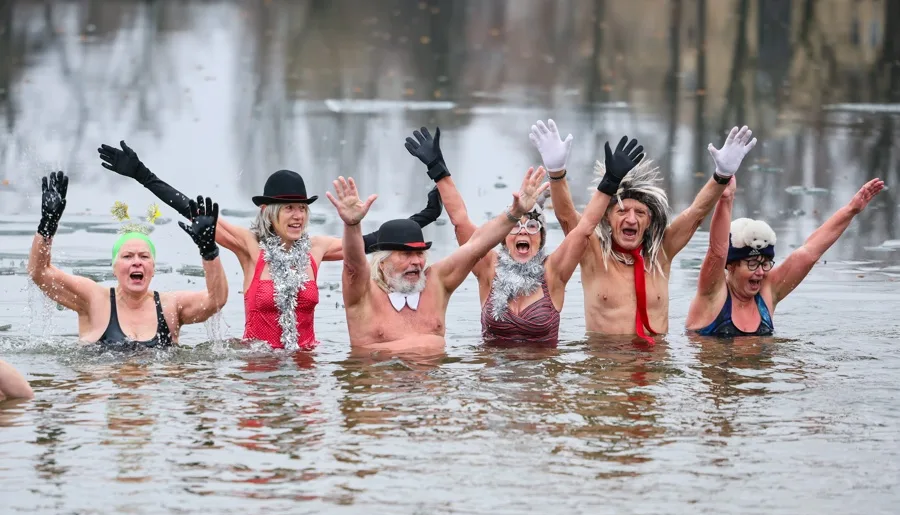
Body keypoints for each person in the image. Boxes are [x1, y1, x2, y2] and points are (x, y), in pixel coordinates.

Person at [97, 141, 443, 350]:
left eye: (302, 209)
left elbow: (370, 241)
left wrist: (425, 216)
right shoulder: (250, 246)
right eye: (289, 208)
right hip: (258, 365)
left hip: (307, 362)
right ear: (269, 212)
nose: (297, 216)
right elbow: (193, 209)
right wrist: (142, 174)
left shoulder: (316, 248)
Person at [404, 127, 642, 346]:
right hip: (494, 384)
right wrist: (437, 168)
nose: (522, 232)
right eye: (516, 226)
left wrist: (609, 182)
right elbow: (459, 221)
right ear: (503, 237)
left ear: (541, 239)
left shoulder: (554, 272)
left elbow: (585, 227)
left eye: (531, 227)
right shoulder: (488, 268)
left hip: (539, 385)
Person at [535, 120, 758, 344]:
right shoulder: (591, 252)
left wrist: (721, 175)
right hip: (605, 368)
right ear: (608, 218)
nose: (631, 218)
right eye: (622, 211)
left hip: (655, 369)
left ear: (650, 220)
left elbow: (696, 214)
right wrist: (557, 172)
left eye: (640, 213)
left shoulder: (662, 253)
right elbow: (566, 217)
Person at [325, 166, 550, 353]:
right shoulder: (363, 292)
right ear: (382, 263)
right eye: (406, 254)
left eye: (420, 254)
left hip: (433, 395)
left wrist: (514, 213)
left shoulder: (437, 282)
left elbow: (476, 245)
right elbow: (353, 264)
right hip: (381, 396)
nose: (416, 261)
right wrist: (352, 225)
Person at [27, 170, 228, 349]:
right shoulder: (95, 299)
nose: (136, 261)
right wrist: (47, 225)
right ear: (114, 268)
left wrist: (208, 249)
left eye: (144, 256)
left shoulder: (170, 306)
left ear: (153, 267)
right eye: (127, 256)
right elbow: (40, 273)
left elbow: (216, 300)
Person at [686, 177, 885, 336]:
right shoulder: (712, 294)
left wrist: (850, 210)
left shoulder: (768, 291)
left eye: (765, 264)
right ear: (731, 265)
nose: (761, 272)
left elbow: (809, 252)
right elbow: (717, 251)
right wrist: (726, 199)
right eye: (753, 263)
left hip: (760, 381)